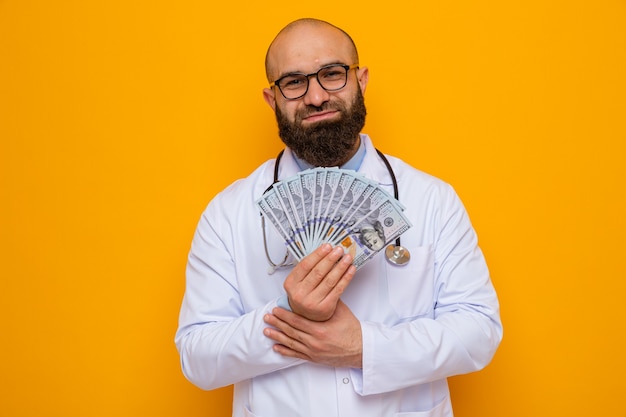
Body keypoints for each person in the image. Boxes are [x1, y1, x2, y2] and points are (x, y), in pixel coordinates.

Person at [175, 18, 502, 417]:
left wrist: (364, 347)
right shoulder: (228, 213)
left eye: (332, 74)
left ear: (360, 80)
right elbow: (198, 358)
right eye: (294, 82)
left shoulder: (432, 199)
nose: (315, 96)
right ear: (271, 98)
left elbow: (479, 333)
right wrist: (289, 312)